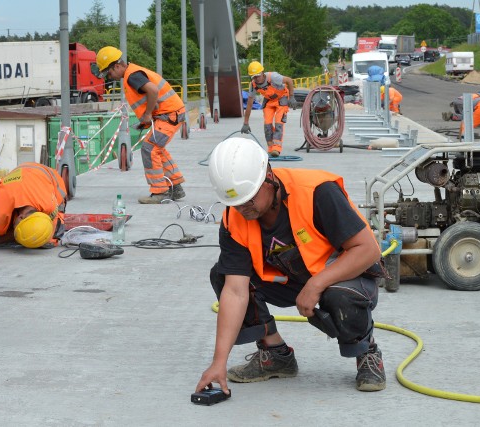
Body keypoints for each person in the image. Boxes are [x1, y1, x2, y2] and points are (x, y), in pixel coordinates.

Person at [196, 137, 387, 397]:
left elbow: (367, 250)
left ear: (269, 175)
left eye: (249, 198)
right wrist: (219, 362)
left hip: (345, 273)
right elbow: (236, 291)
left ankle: (367, 352)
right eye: (236, 203)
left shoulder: (316, 192)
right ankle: (276, 354)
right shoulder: (234, 218)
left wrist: (317, 284)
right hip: (290, 278)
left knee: (341, 296)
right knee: (222, 275)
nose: (244, 208)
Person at [96, 46, 186, 204]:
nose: (110, 77)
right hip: (170, 113)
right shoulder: (134, 73)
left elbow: (152, 91)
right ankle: (175, 186)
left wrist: (147, 114)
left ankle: (160, 192)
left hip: (170, 115)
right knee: (157, 149)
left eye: (109, 73)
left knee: (149, 148)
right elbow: (151, 97)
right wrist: (147, 118)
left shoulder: (132, 76)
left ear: (117, 66)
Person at [0, 162, 67, 251]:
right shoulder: (3, 196)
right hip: (21, 176)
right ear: (21, 216)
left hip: (48, 178)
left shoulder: (50, 207)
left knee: (44, 238)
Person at [241, 61, 297, 158]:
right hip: (269, 101)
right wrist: (246, 123)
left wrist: (291, 97)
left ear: (262, 72)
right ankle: (271, 149)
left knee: (279, 122)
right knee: (267, 125)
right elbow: (249, 105)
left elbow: (289, 80)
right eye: (253, 77)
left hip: (281, 98)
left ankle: (276, 148)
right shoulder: (253, 85)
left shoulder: (273, 77)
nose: (256, 79)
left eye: (258, 76)